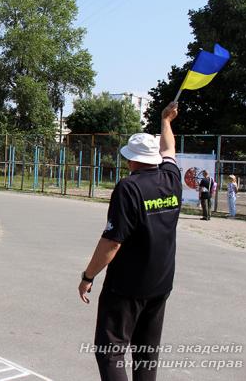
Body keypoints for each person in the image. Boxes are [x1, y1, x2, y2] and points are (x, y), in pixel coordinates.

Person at [78, 102, 181, 381]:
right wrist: (166, 121)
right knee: (147, 352)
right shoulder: (172, 177)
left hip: (127, 286)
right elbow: (169, 150)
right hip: (160, 283)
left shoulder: (129, 187)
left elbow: (112, 242)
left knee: (110, 351)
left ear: (131, 159)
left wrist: (88, 275)